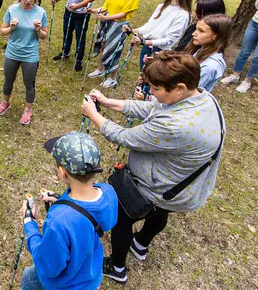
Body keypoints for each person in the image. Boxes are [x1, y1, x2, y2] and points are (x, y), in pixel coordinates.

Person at [81, 51, 225, 284]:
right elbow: (153, 110)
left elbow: (125, 137)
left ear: (178, 87)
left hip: (160, 188)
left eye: (156, 89)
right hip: (179, 189)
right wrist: (108, 102)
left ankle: (117, 267)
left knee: (122, 218)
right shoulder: (201, 97)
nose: (153, 94)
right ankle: (141, 244)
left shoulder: (177, 125)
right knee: (160, 211)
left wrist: (94, 115)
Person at [20, 132, 118, 290]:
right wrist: (62, 201)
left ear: (63, 172)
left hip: (65, 285)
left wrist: (29, 224)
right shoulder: (108, 192)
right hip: (91, 276)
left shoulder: (59, 221)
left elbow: (47, 266)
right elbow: (88, 212)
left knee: (28, 277)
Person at [0, 0, 48, 125]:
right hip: (12, 52)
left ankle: (28, 109)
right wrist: (11, 28)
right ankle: (5, 102)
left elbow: (44, 36)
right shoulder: (12, 10)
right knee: (8, 80)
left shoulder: (40, 12)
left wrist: (38, 31)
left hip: (30, 55)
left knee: (28, 83)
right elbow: (2, 31)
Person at [87, 0, 141, 87]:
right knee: (103, 44)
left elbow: (123, 14)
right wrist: (93, 10)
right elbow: (106, 6)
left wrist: (106, 18)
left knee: (115, 49)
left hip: (119, 25)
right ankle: (100, 69)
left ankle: (112, 77)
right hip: (108, 21)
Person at [127, 0, 194, 70]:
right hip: (148, 47)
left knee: (152, 80)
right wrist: (132, 30)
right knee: (143, 75)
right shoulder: (161, 6)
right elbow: (150, 26)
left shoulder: (182, 15)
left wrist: (144, 41)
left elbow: (169, 40)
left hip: (161, 52)